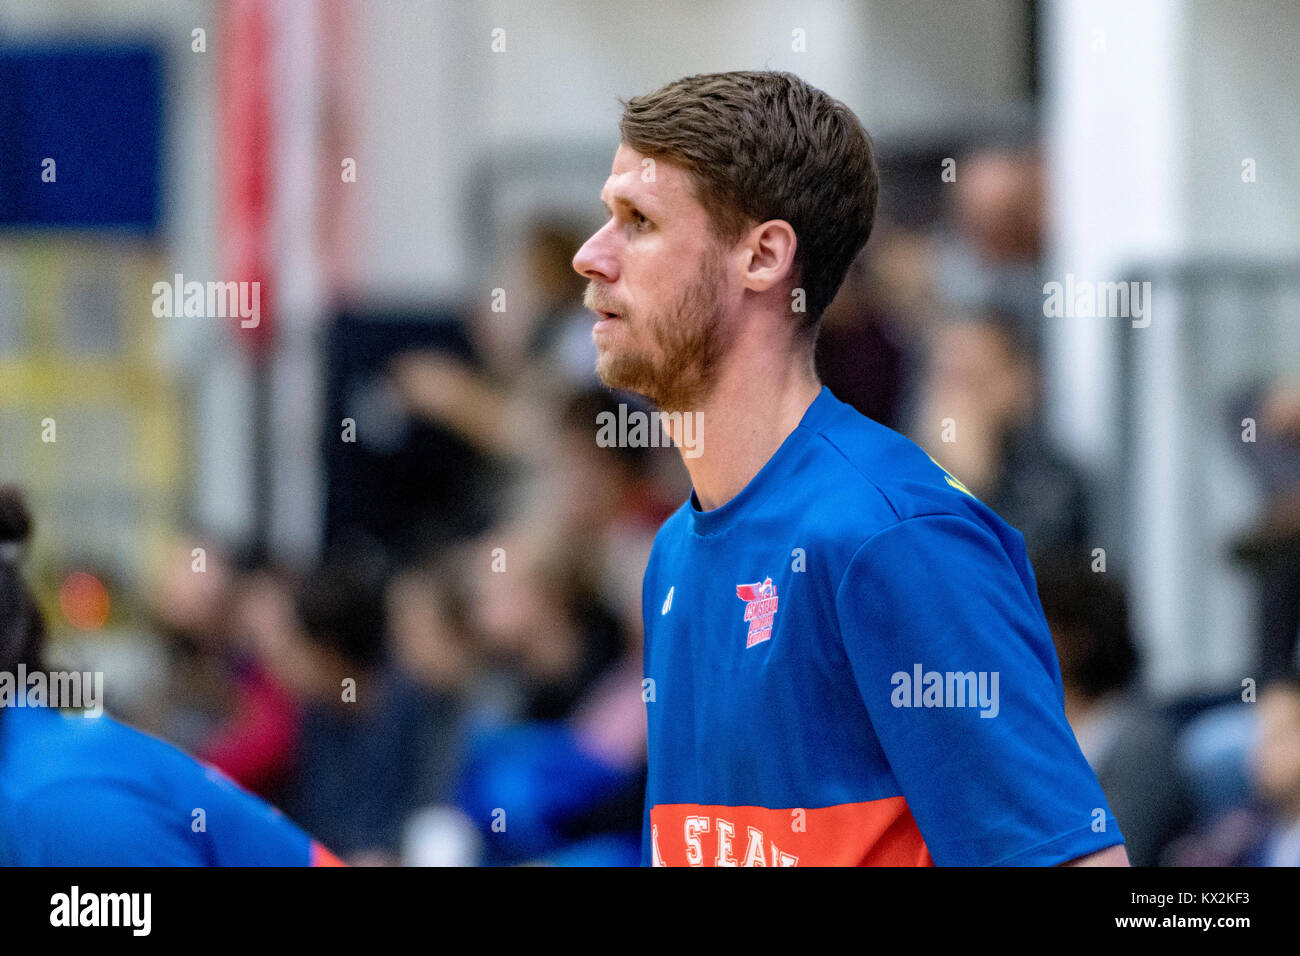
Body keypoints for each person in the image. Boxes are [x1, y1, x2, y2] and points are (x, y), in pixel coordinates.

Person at [571, 70, 1128, 866]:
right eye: (605, 217)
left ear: (763, 257)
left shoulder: (893, 536)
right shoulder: (672, 553)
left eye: (639, 221)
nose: (592, 257)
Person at [0, 486, 343, 866]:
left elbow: (272, 742)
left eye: (191, 565)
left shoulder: (62, 801)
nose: (174, 581)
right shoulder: (180, 664)